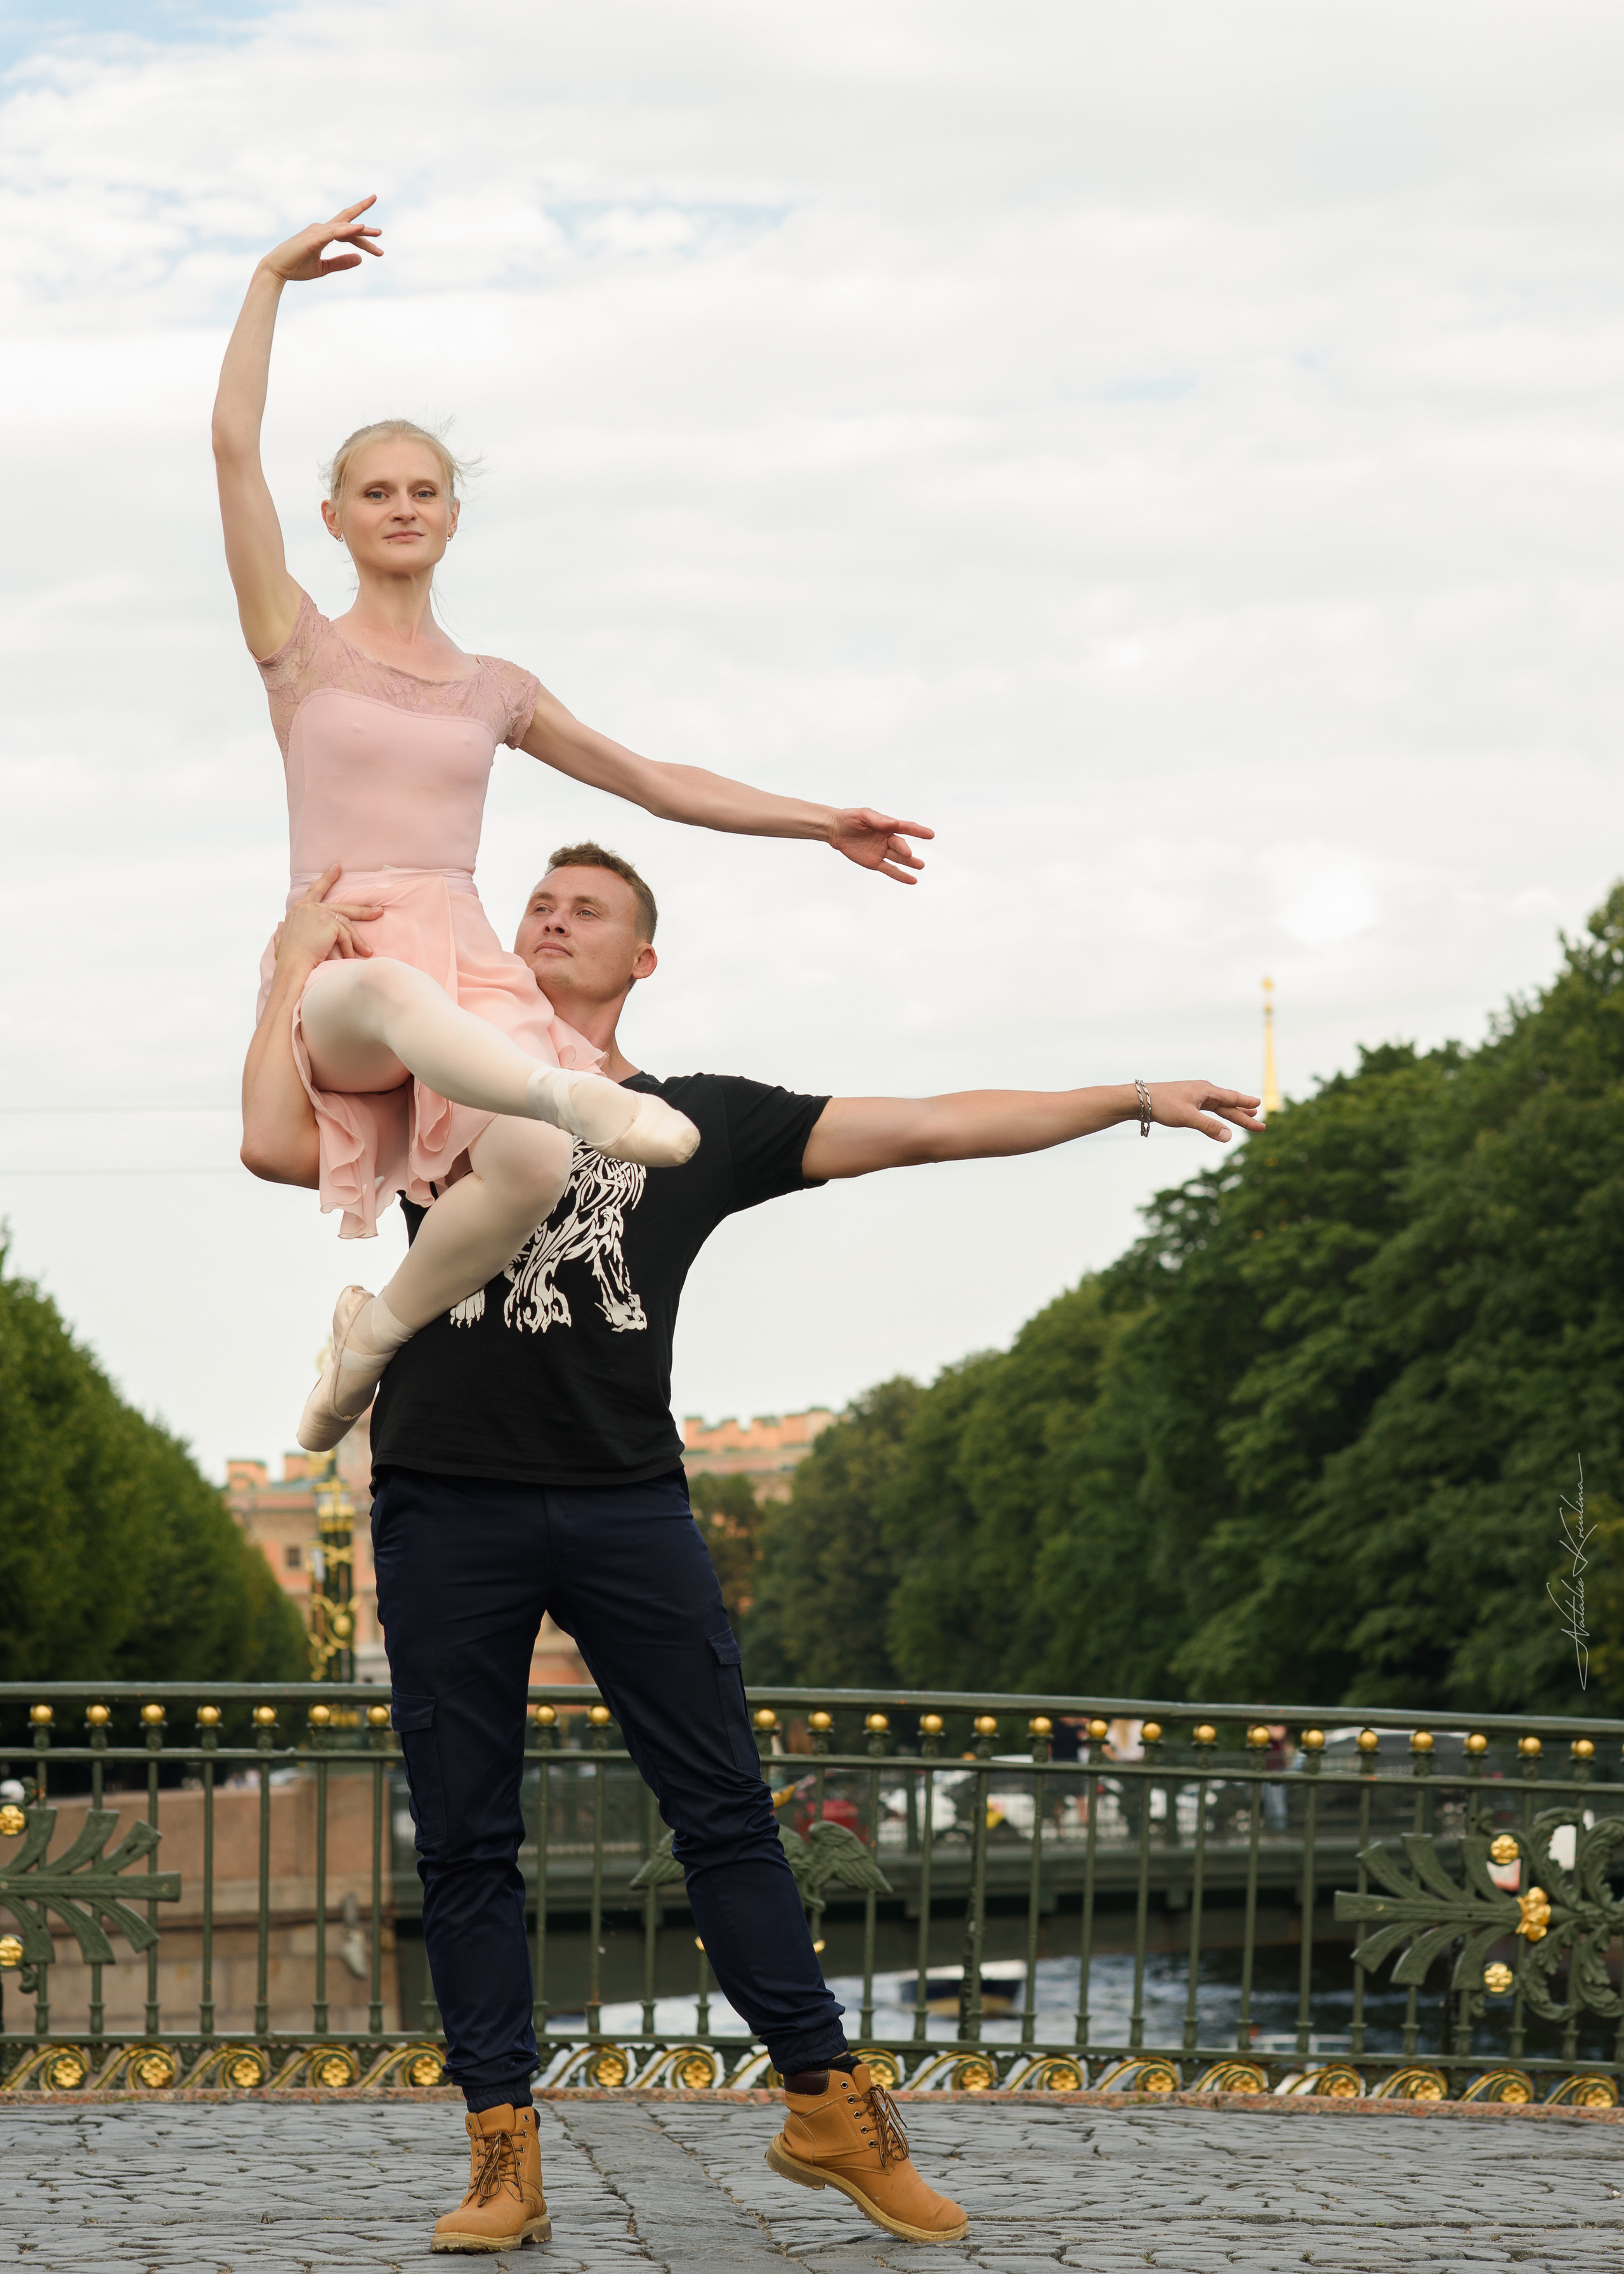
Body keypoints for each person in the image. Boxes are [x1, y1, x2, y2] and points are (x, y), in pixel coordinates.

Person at [242, 841, 1262, 2255]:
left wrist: (1132, 1099)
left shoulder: (702, 1120)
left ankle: (829, 2111)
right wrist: (292, 969)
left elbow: (928, 1125)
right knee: (467, 1842)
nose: (550, 918)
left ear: (642, 960)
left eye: (586, 909)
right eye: (537, 903)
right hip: (446, 1501)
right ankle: (501, 2156)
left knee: (724, 1813)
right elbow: (273, 1142)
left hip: (625, 1504)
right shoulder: (436, 1080)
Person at [214, 196, 931, 1455]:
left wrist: (819, 821)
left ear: (452, 516)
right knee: (398, 998)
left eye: (424, 491)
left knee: (537, 1172)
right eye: (374, 491)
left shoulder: (495, 688)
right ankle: (564, 1091)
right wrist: (271, 277)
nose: (401, 506)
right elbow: (231, 448)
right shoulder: (298, 646)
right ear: (334, 518)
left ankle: (366, 1345)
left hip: (467, 959)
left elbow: (650, 779)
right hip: (346, 953)